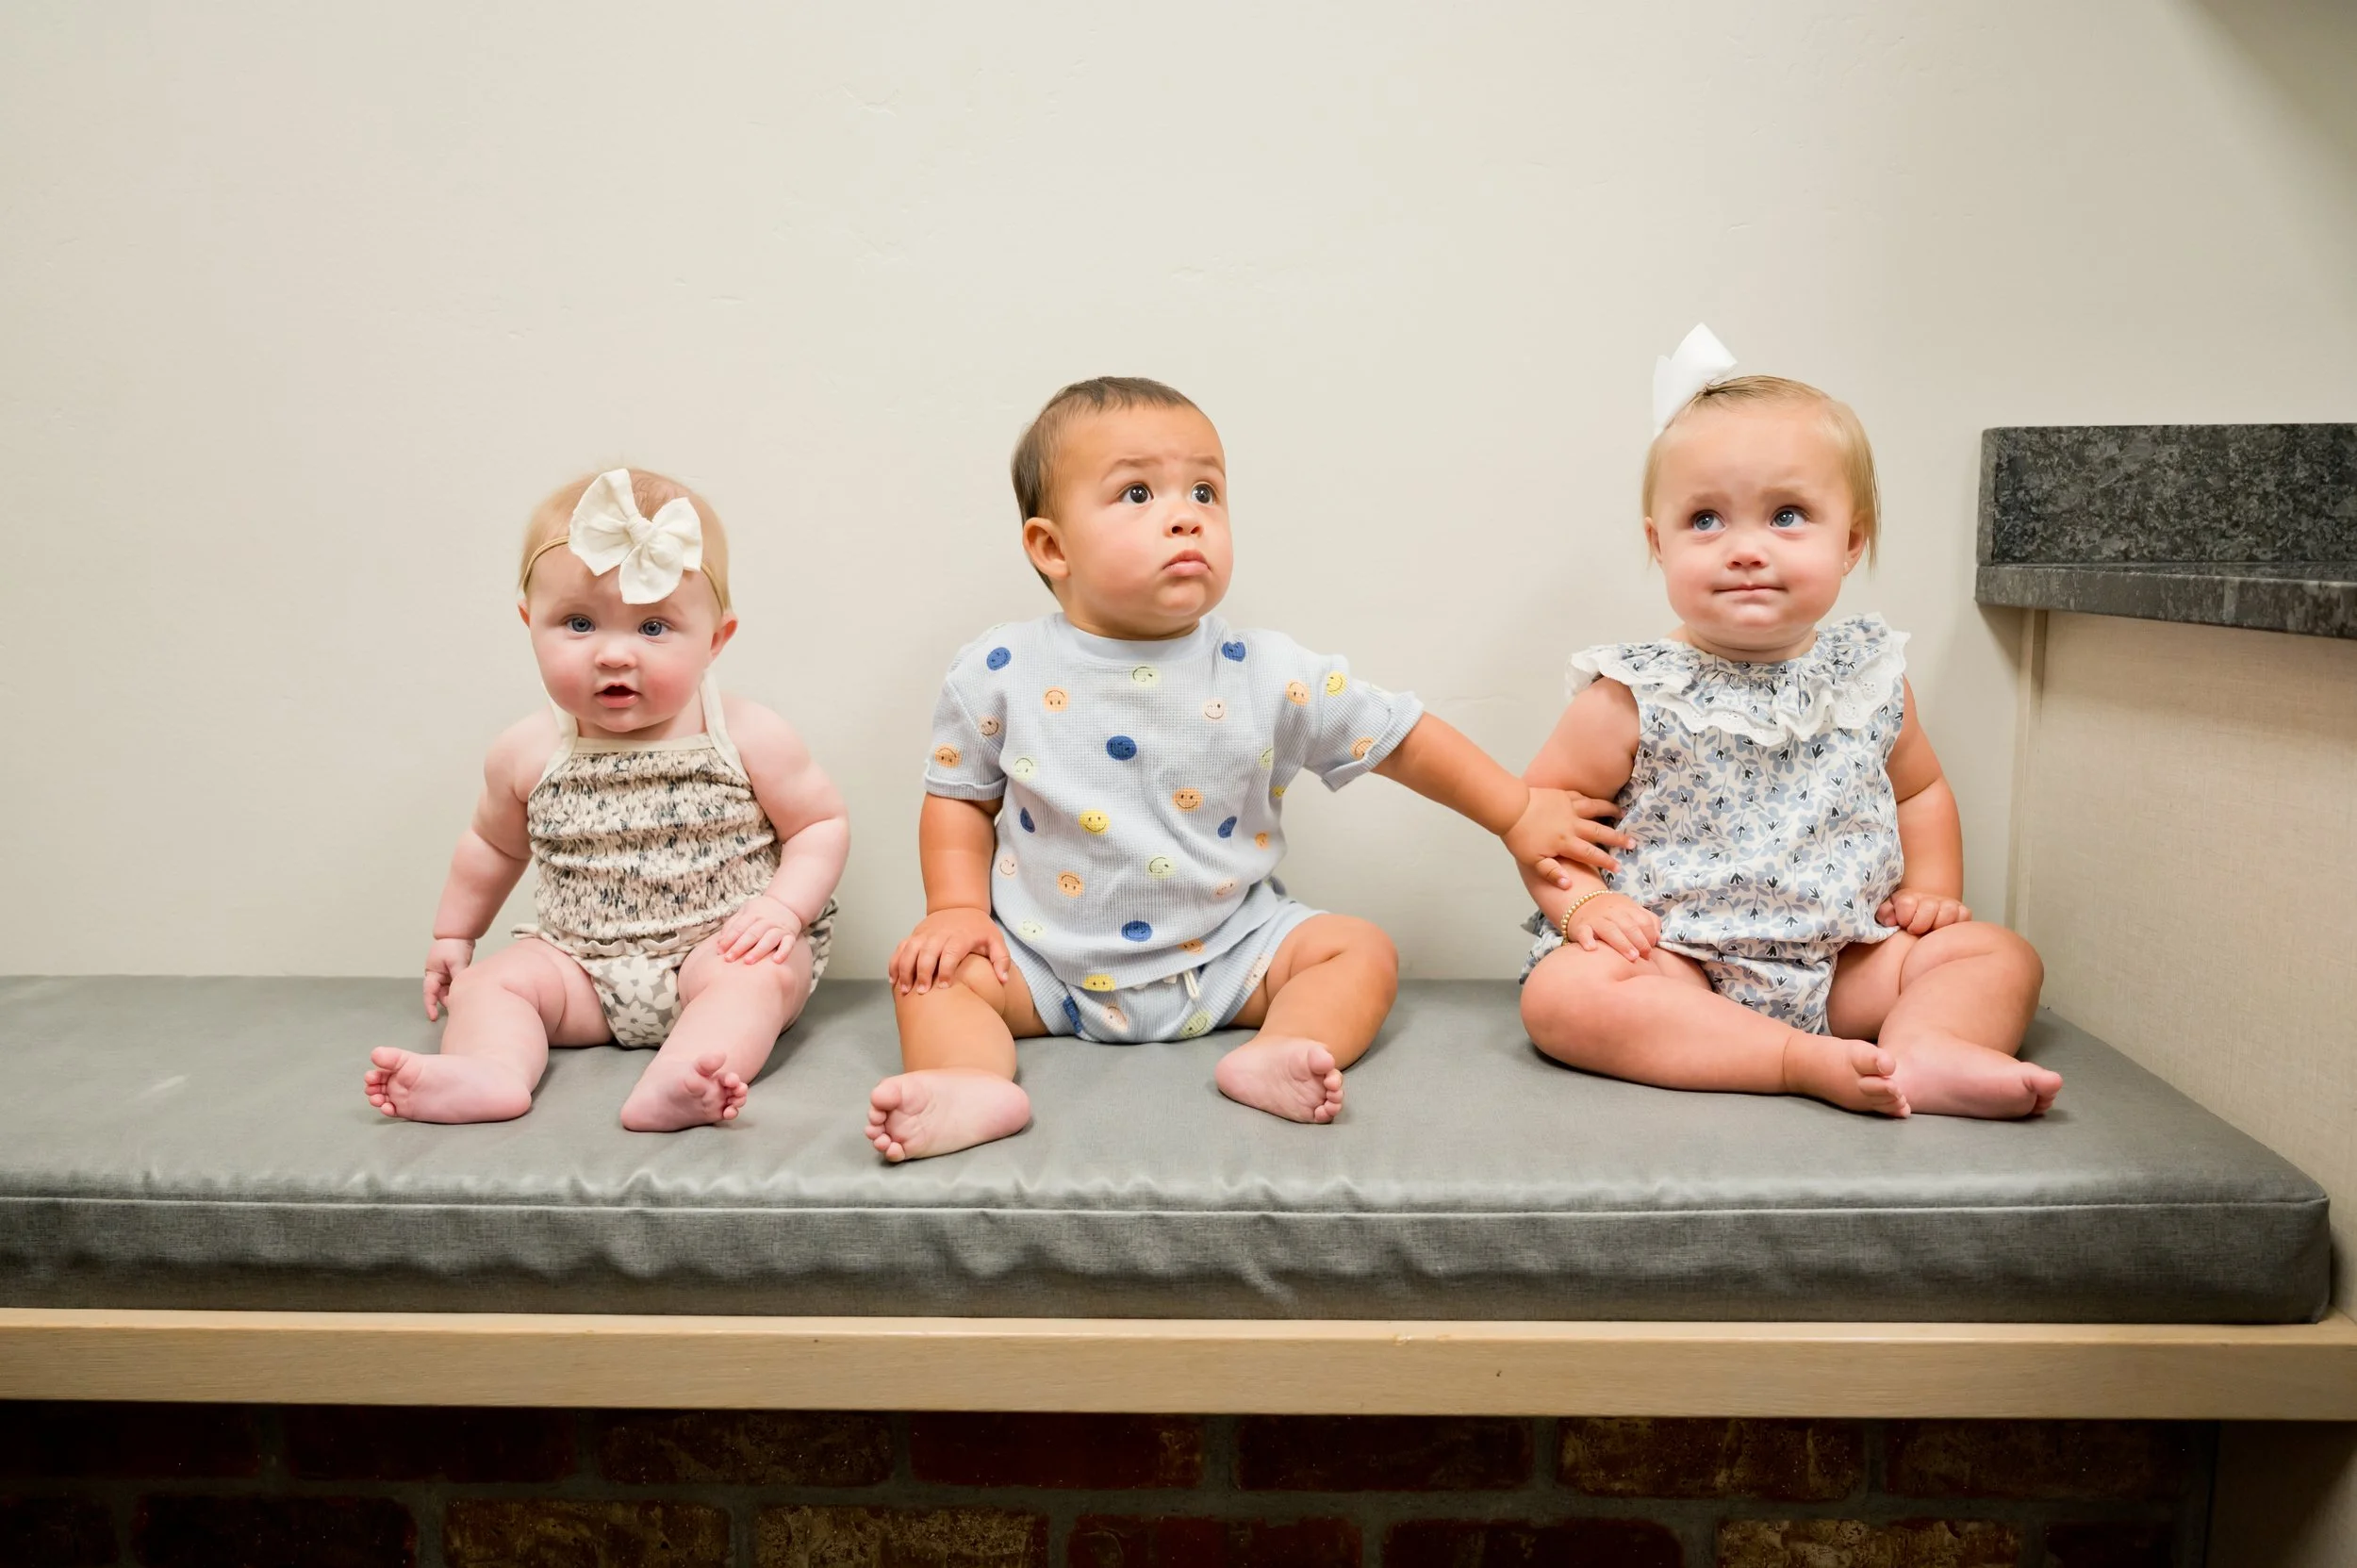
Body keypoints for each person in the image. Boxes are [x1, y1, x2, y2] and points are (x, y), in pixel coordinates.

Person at [867, 377, 1625, 1160]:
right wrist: (955, 908)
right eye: (1136, 492)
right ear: (1052, 547)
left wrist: (1515, 810)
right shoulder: (998, 668)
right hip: (1042, 962)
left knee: (1359, 949)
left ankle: (1279, 1052)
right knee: (931, 978)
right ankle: (966, 1082)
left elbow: (1399, 737)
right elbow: (958, 799)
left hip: (1233, 955)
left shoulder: (1268, 672)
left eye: (1205, 489)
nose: (1186, 512)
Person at [1516, 327, 2058, 1118]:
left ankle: (1927, 1045)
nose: (1745, 549)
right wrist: (1583, 907)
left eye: (1788, 515)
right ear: (1657, 544)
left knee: (1999, 955)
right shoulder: (1632, 693)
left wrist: (1934, 889)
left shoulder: (1868, 679)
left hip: (1845, 963)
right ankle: (1792, 1061)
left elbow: (1920, 790)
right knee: (1566, 993)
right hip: (1679, 964)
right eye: (1705, 520)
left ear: (1851, 542)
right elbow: (1538, 820)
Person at [364, 469, 849, 1130]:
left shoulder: (745, 735)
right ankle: (491, 1070)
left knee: (759, 979)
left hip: (716, 950)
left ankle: (684, 1077)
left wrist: (782, 909)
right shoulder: (528, 751)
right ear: (529, 622)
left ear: (715, 640)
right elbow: (491, 845)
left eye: (653, 627)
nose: (614, 654)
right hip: (580, 966)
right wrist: (455, 933)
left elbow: (820, 823)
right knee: (491, 985)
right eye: (580, 623)